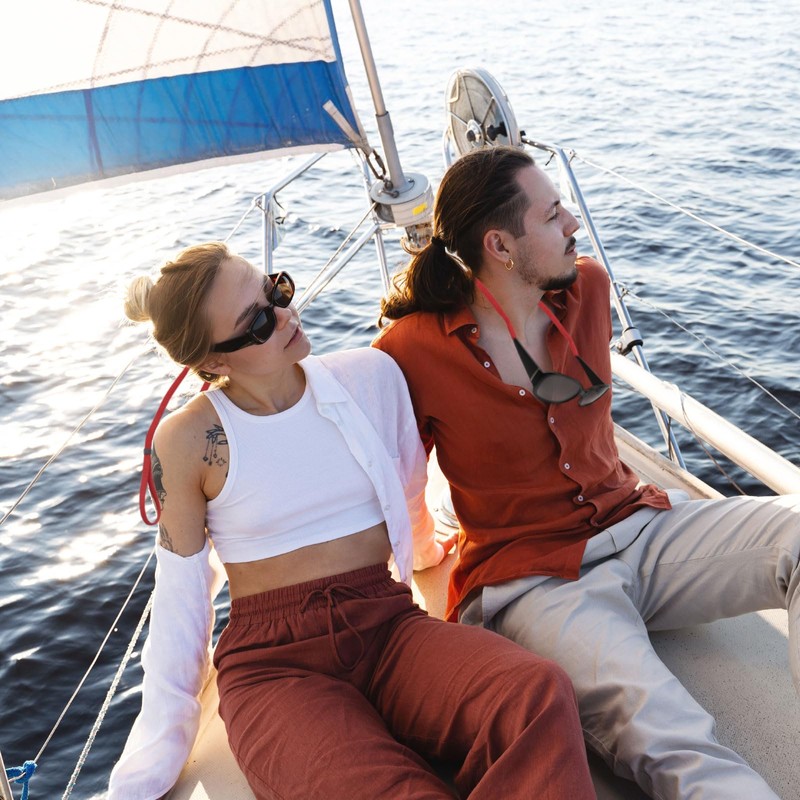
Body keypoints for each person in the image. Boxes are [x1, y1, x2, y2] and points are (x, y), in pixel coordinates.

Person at [373, 145, 800, 800]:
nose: (573, 222)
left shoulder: (588, 289)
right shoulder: (410, 351)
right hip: (535, 580)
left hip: (641, 527)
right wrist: (426, 558)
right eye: (552, 215)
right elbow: (403, 482)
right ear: (500, 246)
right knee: (670, 732)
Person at [108, 241, 595, 800]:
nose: (286, 314)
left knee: (536, 694)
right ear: (214, 362)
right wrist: (144, 774)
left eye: (276, 290)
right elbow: (181, 599)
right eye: (259, 321)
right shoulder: (189, 440)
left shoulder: (370, 377)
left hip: (388, 625)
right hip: (275, 668)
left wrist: (428, 552)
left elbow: (408, 490)